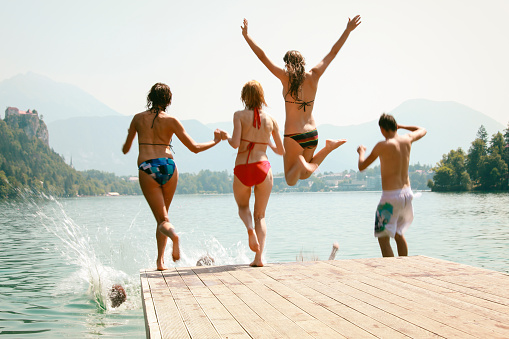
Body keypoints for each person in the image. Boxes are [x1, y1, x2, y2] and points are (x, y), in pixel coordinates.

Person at [241, 16, 361, 186]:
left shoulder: (285, 78)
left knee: (291, 179)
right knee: (304, 175)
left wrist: (247, 36)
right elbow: (332, 53)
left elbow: (262, 56)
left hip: (294, 135)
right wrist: (347, 30)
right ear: (302, 63)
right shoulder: (314, 75)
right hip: (312, 133)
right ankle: (327, 148)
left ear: (288, 65)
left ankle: (305, 160)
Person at [122, 83, 223, 270]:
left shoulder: (137, 118)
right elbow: (195, 148)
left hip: (147, 167)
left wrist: (132, 138)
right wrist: (215, 141)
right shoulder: (172, 121)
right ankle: (160, 262)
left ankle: (172, 240)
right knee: (164, 217)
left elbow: (126, 148)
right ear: (168, 100)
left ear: (150, 97)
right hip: (169, 166)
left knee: (162, 220)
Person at [222, 80, 284, 267]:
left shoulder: (239, 115)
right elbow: (281, 150)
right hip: (263, 167)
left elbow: (235, 143)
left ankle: (249, 229)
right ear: (262, 96)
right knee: (261, 216)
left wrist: (225, 137)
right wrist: (268, 144)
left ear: (244, 97)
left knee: (243, 207)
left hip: (243, 166)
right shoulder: (271, 120)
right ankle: (258, 259)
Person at [357, 113, 427, 257]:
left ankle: (391, 270)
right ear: (395, 126)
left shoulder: (383, 145)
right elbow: (422, 129)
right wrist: (401, 126)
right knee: (398, 233)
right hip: (407, 195)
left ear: (382, 129)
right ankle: (403, 265)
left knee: (383, 238)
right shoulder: (407, 139)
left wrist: (361, 152)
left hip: (390, 198)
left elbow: (362, 166)